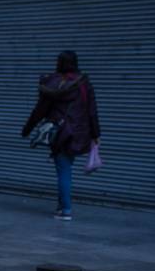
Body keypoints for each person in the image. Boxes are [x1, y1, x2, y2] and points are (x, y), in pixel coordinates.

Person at [22, 51, 101, 221]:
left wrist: (27, 129)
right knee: (65, 168)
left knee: (63, 171)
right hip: (78, 133)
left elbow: (40, 110)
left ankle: (65, 209)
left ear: (59, 63)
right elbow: (92, 111)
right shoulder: (84, 84)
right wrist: (96, 134)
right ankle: (61, 207)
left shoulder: (52, 83)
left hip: (58, 132)